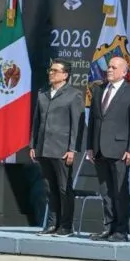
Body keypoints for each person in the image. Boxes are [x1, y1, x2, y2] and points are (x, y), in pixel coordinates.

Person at [86, 57, 130, 242]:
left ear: (124, 72)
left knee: (119, 191)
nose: (109, 69)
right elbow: (93, 120)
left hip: (120, 149)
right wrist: (89, 146)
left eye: (113, 67)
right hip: (99, 149)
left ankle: (121, 230)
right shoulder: (98, 90)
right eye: (108, 66)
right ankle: (108, 227)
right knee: (106, 192)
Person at [30, 58, 85, 237]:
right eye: (50, 70)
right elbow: (36, 121)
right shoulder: (43, 93)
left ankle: (66, 226)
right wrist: (33, 145)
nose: (51, 73)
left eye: (55, 71)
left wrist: (72, 149)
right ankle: (52, 224)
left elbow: (77, 125)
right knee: (50, 188)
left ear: (65, 75)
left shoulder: (74, 95)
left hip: (62, 150)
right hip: (43, 148)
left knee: (63, 188)